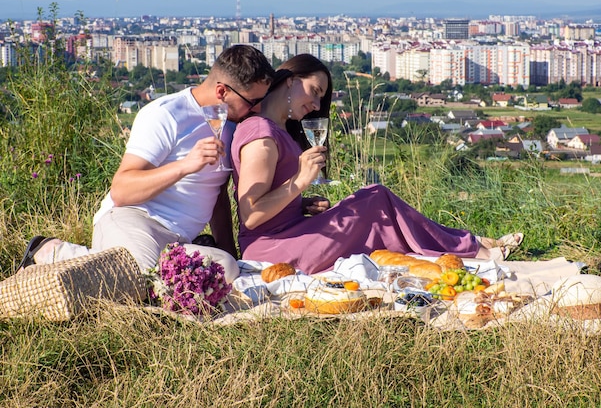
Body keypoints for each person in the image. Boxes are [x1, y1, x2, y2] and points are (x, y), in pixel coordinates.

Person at [230, 54, 523, 275]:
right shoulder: (262, 135)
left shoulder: (277, 128)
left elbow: (270, 197)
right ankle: (473, 249)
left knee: (372, 197)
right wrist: (299, 182)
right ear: (291, 81)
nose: (317, 105)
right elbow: (252, 214)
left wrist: (300, 202)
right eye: (315, 91)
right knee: (375, 200)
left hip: (289, 234)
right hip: (272, 251)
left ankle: (468, 245)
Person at [18, 45, 275, 282]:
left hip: (178, 238)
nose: (257, 109)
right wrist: (186, 165)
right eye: (252, 102)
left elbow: (216, 194)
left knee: (226, 271)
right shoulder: (166, 114)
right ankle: (51, 251)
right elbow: (122, 191)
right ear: (222, 91)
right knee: (143, 277)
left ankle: (168, 261)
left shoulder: (231, 126)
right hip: (134, 219)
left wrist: (229, 252)